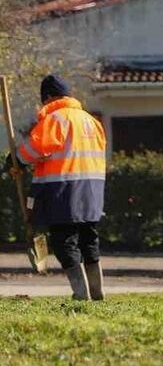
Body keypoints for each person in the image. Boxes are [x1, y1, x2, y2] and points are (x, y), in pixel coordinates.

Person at [4, 75, 107, 301]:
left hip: (64, 190)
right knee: (89, 240)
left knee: (64, 242)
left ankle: (82, 294)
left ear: (48, 97)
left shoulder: (55, 118)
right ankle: (97, 292)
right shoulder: (91, 121)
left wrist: (16, 159)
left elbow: (37, 147)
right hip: (93, 191)